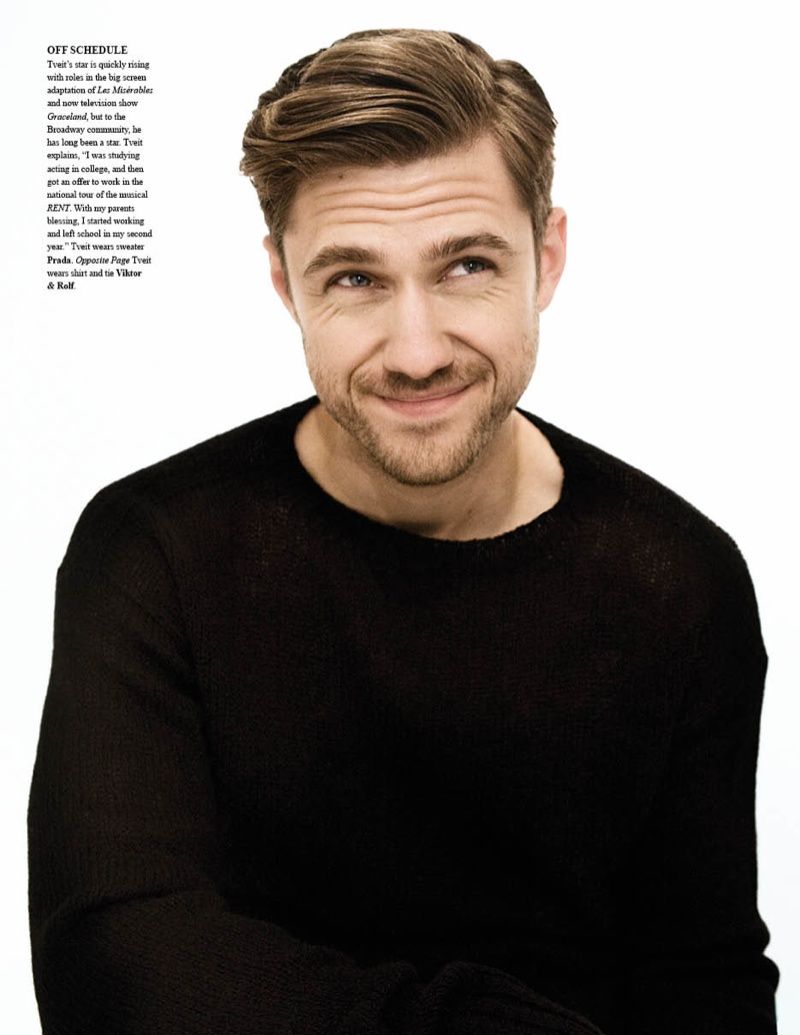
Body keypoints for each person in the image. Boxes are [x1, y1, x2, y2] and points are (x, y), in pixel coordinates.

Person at [28, 28, 779, 1035]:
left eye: (466, 264)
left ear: (546, 257)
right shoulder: (153, 551)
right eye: (354, 279)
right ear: (285, 284)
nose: (416, 351)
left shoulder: (678, 578)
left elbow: (706, 982)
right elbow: (112, 960)